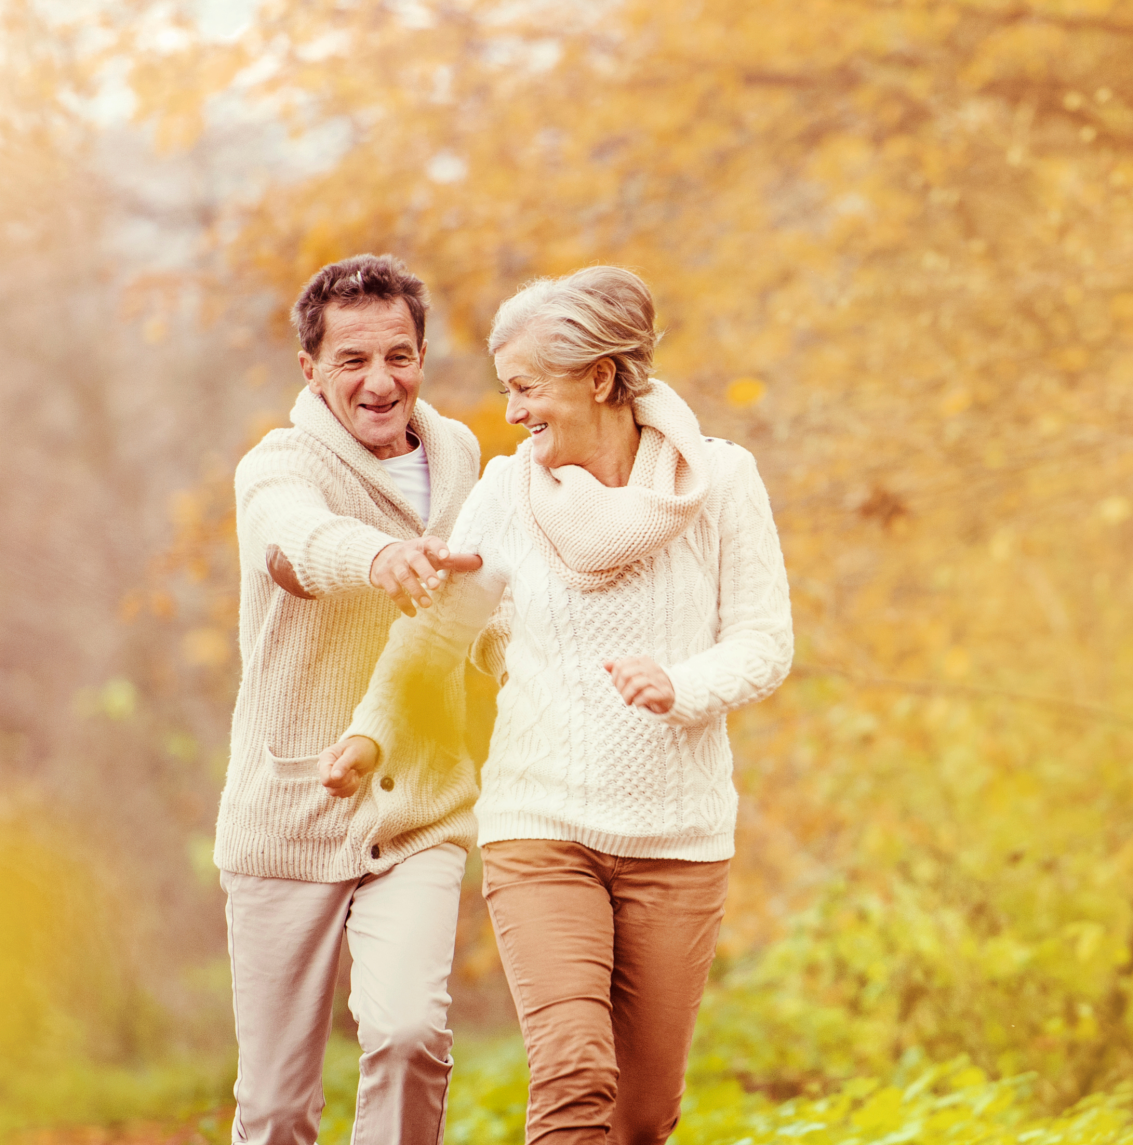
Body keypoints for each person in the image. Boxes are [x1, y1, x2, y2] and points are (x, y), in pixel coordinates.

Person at [320, 266, 793, 1145]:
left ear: (603, 378)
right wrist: (370, 733)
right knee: (576, 1071)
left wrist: (681, 686)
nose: (513, 412)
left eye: (528, 386)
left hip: (677, 840)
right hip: (540, 827)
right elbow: (435, 634)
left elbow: (766, 643)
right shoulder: (507, 493)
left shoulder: (721, 483)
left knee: (643, 1118)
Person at [216, 253, 487, 1145]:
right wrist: (376, 559)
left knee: (410, 1033)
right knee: (275, 1106)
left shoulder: (460, 457)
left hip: (419, 807)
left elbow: (471, 607)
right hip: (288, 813)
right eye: (353, 361)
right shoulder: (277, 467)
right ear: (312, 370)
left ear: (421, 354)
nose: (380, 383)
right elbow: (294, 543)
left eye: (400, 356)